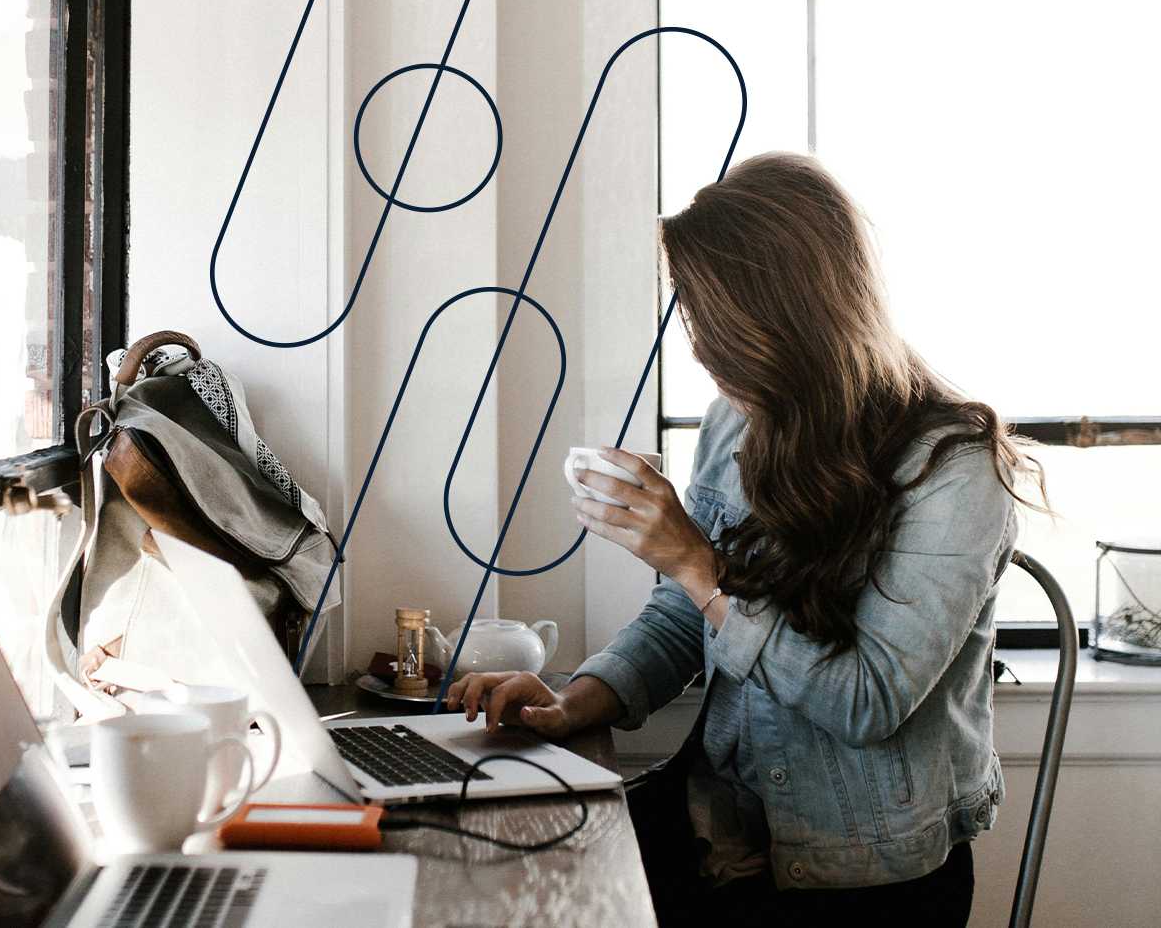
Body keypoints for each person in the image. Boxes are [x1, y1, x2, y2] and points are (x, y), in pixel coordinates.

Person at [445, 152, 1045, 926]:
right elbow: (680, 617)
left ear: (787, 314)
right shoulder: (741, 418)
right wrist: (572, 704)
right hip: (720, 826)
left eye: (709, 319)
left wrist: (696, 564)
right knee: (505, 879)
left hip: (859, 875)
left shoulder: (955, 470)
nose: (696, 347)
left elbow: (867, 702)